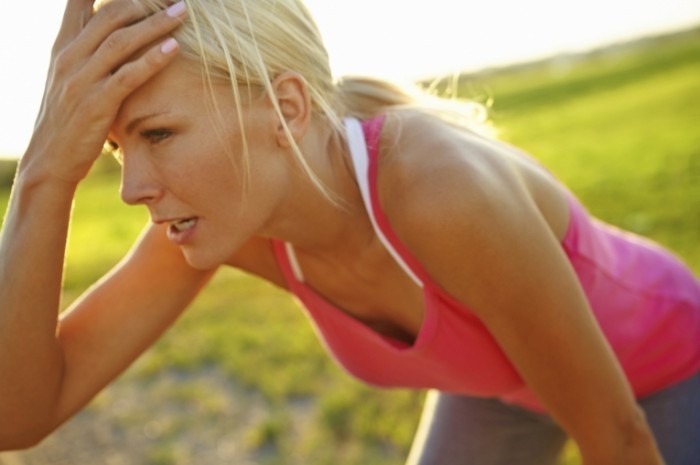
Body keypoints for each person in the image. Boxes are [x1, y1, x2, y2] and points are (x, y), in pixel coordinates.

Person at [0, 0, 698, 463]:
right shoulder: (228, 220)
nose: (131, 188)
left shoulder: (437, 191)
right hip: (502, 386)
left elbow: (617, 436)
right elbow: (19, 413)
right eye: (120, 149)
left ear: (288, 107)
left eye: (159, 133)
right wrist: (42, 175)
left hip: (669, 369)